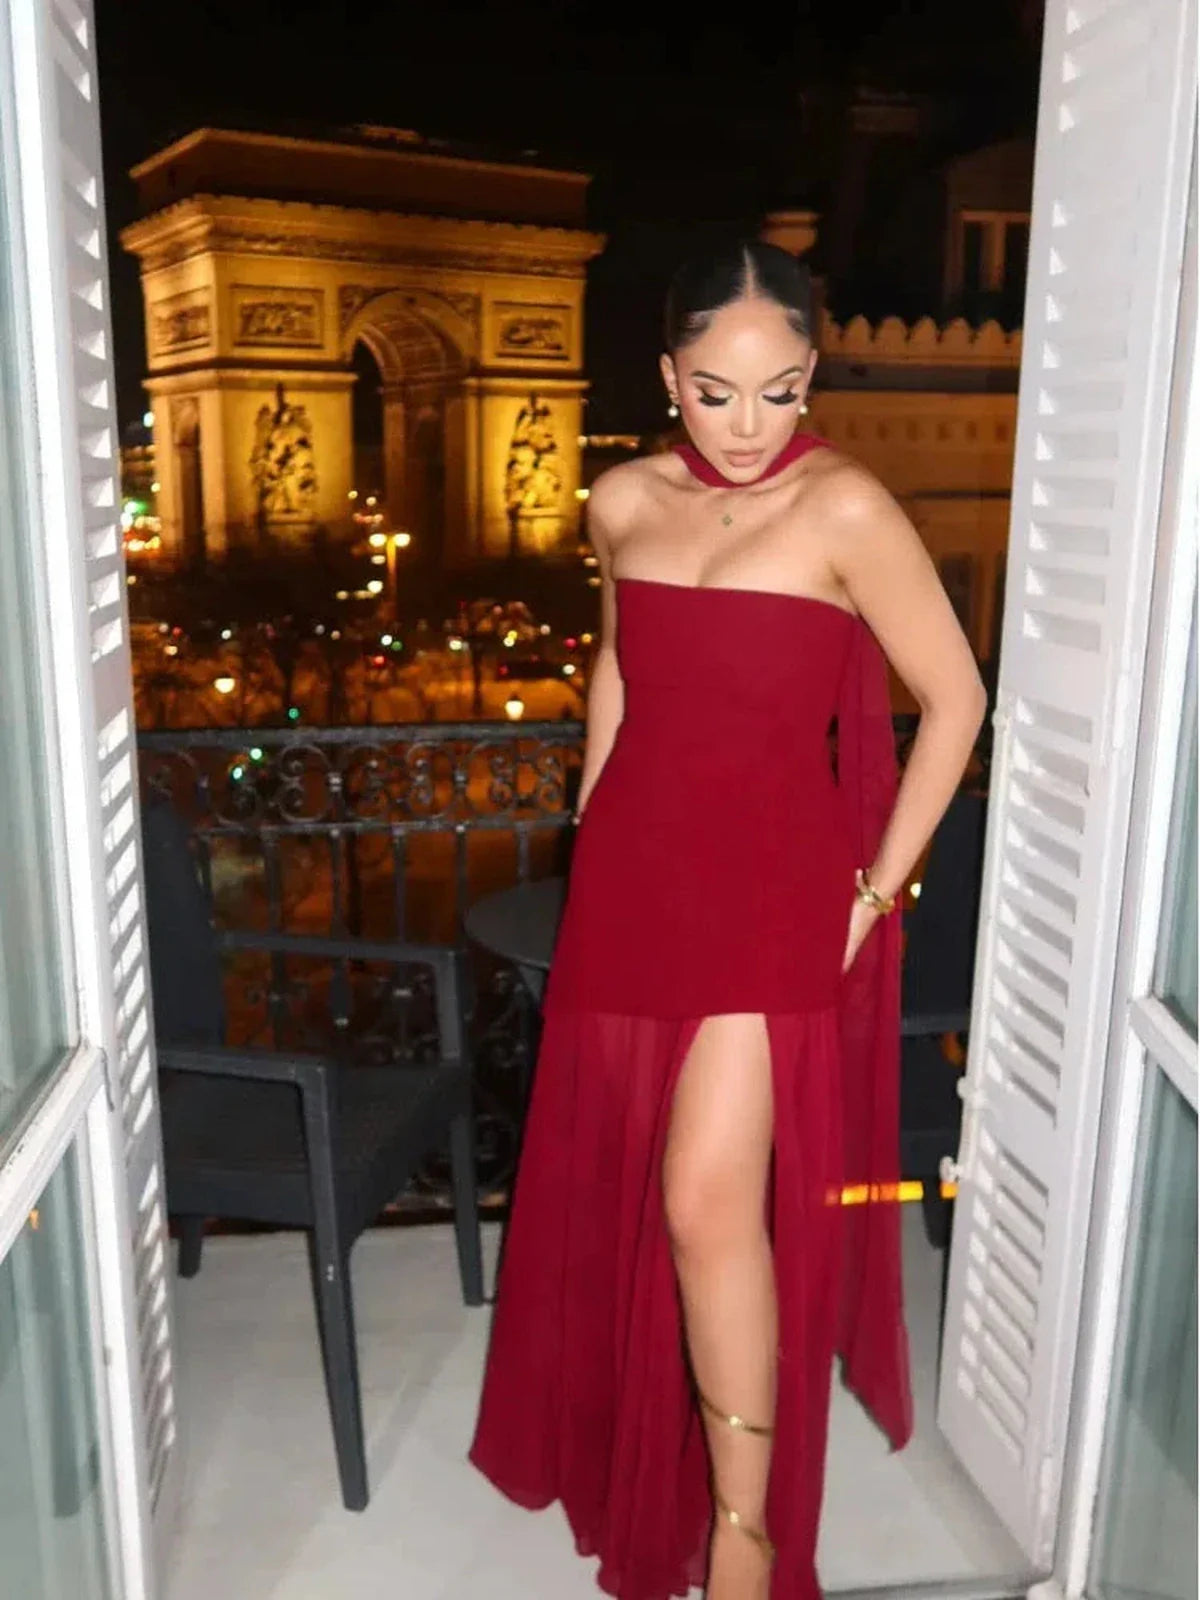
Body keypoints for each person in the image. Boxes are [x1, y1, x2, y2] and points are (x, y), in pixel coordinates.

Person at [469, 240, 987, 1600]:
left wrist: (877, 890)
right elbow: (615, 674)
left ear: (812, 374)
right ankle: (654, 1461)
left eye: (779, 390)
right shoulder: (619, 499)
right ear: (666, 379)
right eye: (715, 393)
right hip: (637, 879)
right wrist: (592, 839)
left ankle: (747, 1535)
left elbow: (957, 702)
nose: (750, 427)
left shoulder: (848, 509)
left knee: (706, 1203)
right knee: (624, 1177)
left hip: (774, 895)